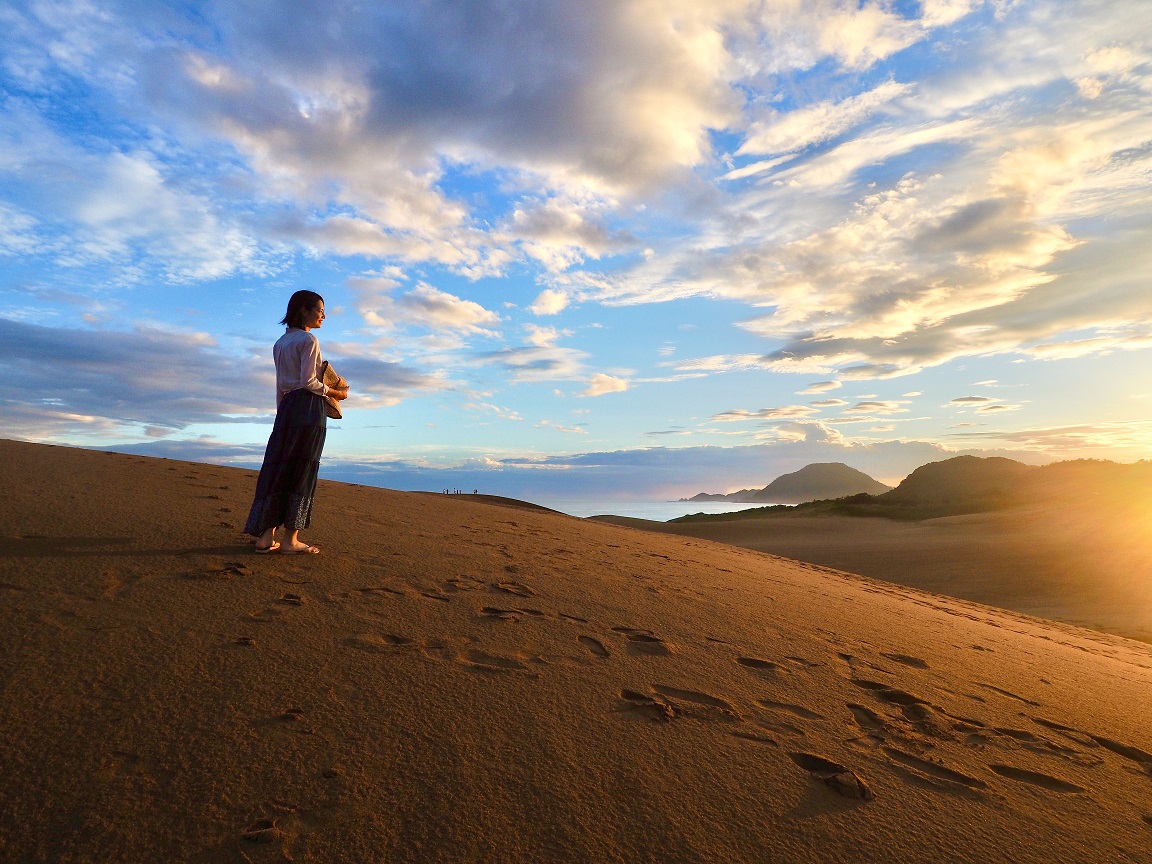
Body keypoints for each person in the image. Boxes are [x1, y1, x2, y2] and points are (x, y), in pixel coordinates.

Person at [243, 290, 348, 554]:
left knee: (280, 467)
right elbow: (309, 382)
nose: (324, 316)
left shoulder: (280, 343)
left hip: (288, 408)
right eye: (320, 310)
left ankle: (265, 537)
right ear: (304, 310)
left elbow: (281, 385)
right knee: (303, 468)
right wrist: (335, 393)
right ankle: (291, 540)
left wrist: (282, 413)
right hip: (308, 409)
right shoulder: (309, 340)